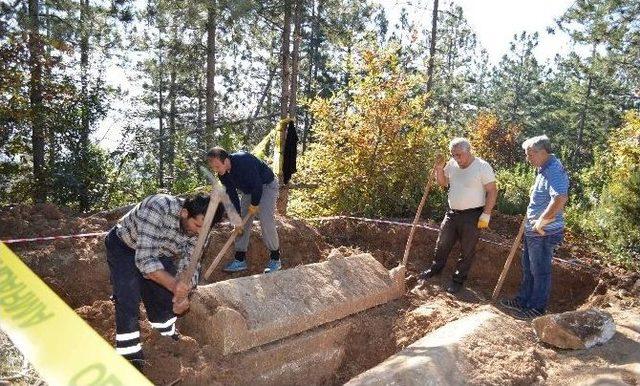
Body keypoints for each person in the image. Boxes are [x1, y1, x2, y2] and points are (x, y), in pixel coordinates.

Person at [104, 193, 222, 371]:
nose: (200, 232)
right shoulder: (158, 207)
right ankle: (129, 353)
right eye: (197, 225)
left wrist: (184, 290)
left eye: (204, 228)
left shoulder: (202, 227)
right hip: (125, 246)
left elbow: (190, 263)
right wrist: (174, 285)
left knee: (162, 295)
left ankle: (164, 331)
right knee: (128, 296)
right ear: (184, 213)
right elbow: (144, 260)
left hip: (160, 251)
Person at [500, 135, 569, 320]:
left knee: (540, 270)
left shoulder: (553, 169)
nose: (527, 158)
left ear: (542, 152)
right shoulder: (543, 168)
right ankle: (523, 300)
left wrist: (542, 221)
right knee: (529, 267)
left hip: (544, 232)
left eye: (530, 154)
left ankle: (537, 308)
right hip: (534, 231)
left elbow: (560, 198)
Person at [418, 138, 497, 294]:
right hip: (452, 214)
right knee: (442, 243)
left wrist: (486, 214)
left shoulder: (482, 166)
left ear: (469, 151)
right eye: (453, 155)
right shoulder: (452, 164)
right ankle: (435, 269)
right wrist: (439, 169)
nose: (456, 158)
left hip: (472, 215)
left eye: (459, 155)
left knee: (467, 250)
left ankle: (457, 280)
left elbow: (492, 191)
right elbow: (443, 183)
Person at [206, 147, 282, 273]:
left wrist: (254, 204)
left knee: (265, 219)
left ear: (225, 161)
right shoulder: (223, 174)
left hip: (267, 185)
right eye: (213, 168)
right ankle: (240, 260)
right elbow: (232, 194)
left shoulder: (244, 161)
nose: (216, 170)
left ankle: (275, 259)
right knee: (241, 224)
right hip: (249, 191)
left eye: (217, 166)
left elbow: (257, 185)